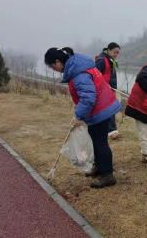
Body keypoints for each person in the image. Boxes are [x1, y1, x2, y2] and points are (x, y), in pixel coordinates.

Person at [44, 47, 122, 188]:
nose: (53, 69)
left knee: (101, 142)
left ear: (58, 61)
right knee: (94, 138)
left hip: (101, 109)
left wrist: (79, 116)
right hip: (97, 108)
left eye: (52, 66)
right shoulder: (76, 66)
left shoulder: (78, 72)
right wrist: (80, 111)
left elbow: (88, 97)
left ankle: (108, 176)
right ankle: (98, 167)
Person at [95, 42, 122, 140]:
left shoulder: (111, 60)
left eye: (118, 53)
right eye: (115, 52)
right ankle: (112, 131)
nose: (116, 54)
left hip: (110, 90)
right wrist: (104, 84)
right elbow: (96, 75)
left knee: (110, 109)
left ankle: (110, 130)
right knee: (109, 109)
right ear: (109, 50)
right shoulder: (101, 60)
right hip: (103, 90)